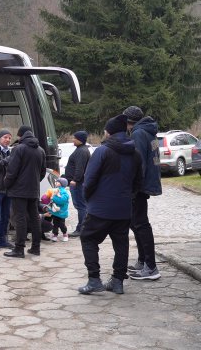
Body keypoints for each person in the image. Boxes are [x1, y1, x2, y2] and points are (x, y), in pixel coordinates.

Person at [77, 115, 142, 295]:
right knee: (121, 244)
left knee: (88, 238)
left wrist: (89, 199)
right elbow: (138, 182)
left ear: (109, 132)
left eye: (105, 130)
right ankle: (118, 281)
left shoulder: (102, 151)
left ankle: (94, 279)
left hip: (100, 208)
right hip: (123, 209)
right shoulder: (135, 153)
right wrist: (126, 197)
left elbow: (89, 181)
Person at [123, 106, 163, 280]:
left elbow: (138, 163)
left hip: (139, 187)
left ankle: (151, 267)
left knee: (140, 224)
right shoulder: (148, 131)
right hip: (144, 184)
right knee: (136, 223)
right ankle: (142, 261)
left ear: (128, 120)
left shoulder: (139, 133)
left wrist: (133, 188)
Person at [3, 126, 46, 258]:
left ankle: (19, 249)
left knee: (20, 218)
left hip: (18, 191)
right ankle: (35, 248)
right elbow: (42, 172)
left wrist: (6, 184)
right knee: (34, 218)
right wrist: (34, 182)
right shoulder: (41, 150)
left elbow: (12, 171)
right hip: (33, 190)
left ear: (21, 136)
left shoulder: (19, 149)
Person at [64, 131, 91, 237]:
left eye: (74, 138)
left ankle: (81, 229)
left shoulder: (81, 151)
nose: (73, 140)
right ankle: (83, 228)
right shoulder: (81, 150)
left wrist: (75, 180)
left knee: (81, 206)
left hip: (78, 184)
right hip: (77, 183)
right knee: (81, 206)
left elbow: (80, 168)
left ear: (80, 139)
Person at [48, 178, 70, 242]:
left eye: (57, 182)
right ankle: (55, 235)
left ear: (61, 184)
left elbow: (62, 200)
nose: (56, 183)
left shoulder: (64, 192)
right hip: (55, 212)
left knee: (61, 224)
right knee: (55, 224)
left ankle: (65, 234)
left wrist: (53, 198)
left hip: (61, 212)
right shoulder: (55, 190)